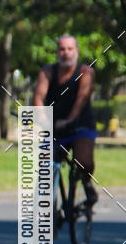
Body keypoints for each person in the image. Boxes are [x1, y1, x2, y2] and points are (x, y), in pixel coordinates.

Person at [33, 34, 98, 204]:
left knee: (84, 161)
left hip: (80, 126)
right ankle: (49, 207)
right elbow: (39, 98)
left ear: (76, 51)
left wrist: (69, 120)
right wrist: (41, 118)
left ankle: (87, 181)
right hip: (54, 127)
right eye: (62, 49)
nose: (66, 53)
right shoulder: (47, 72)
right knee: (45, 163)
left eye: (70, 49)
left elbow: (81, 100)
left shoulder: (86, 72)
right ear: (57, 52)